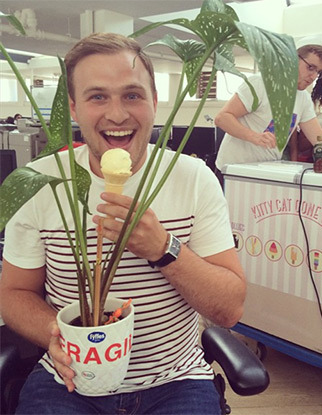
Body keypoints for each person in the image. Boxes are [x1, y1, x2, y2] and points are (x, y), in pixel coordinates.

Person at [0, 33, 246, 415]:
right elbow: (13, 293)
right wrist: (56, 334)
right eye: (97, 96)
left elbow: (229, 309)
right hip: (68, 380)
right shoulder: (40, 180)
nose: (117, 114)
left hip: (176, 381)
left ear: (154, 103)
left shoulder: (194, 177)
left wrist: (165, 248)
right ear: (74, 109)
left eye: (132, 95)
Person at [215, 44, 322, 171]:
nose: (313, 76)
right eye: (310, 68)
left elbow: (319, 139)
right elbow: (222, 118)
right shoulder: (260, 83)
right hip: (233, 169)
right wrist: (255, 137)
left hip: (265, 171)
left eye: (318, 72)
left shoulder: (303, 99)